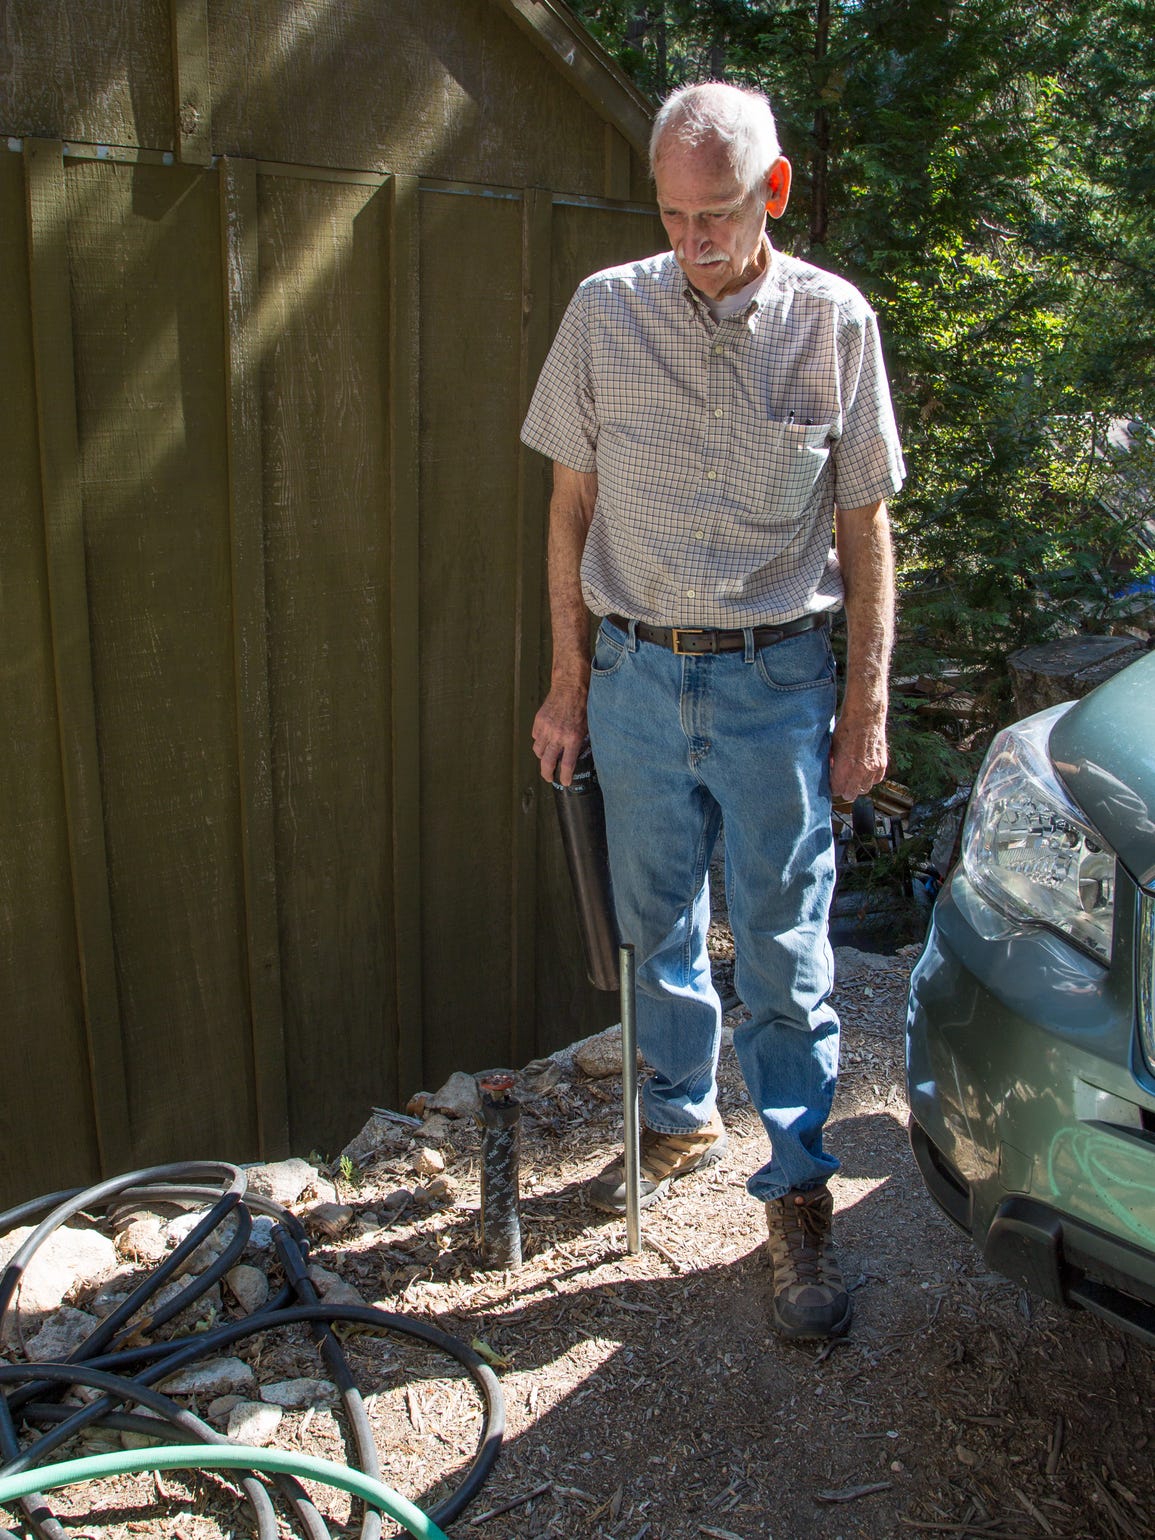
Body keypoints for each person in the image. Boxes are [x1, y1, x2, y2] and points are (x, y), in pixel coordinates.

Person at [521, 81, 904, 1340]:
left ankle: (797, 1189)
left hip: (777, 679)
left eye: (719, 214)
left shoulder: (834, 325)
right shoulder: (602, 313)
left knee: (788, 946)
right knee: (651, 918)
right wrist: (569, 684)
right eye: (674, 214)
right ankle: (679, 1108)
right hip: (632, 673)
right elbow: (569, 514)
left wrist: (866, 709)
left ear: (774, 193)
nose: (693, 239)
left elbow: (866, 528)